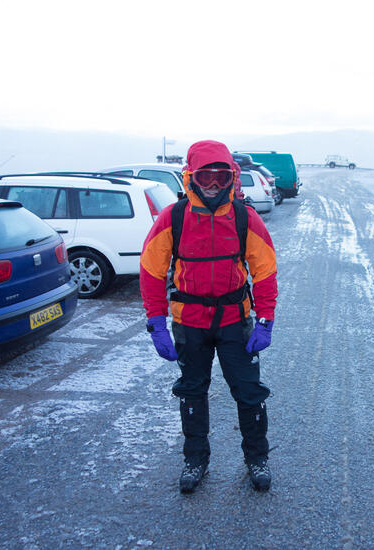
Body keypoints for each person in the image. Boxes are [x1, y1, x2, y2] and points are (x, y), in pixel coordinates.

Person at [140, 140, 278, 493]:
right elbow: (151, 271)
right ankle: (195, 460)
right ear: (191, 177)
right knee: (191, 392)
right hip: (190, 324)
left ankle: (257, 459)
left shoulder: (246, 217)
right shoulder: (173, 218)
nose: (213, 184)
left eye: (221, 176)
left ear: (232, 177)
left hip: (235, 321)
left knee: (249, 393)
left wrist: (265, 319)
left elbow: (265, 271)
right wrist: (156, 322)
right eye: (206, 176)